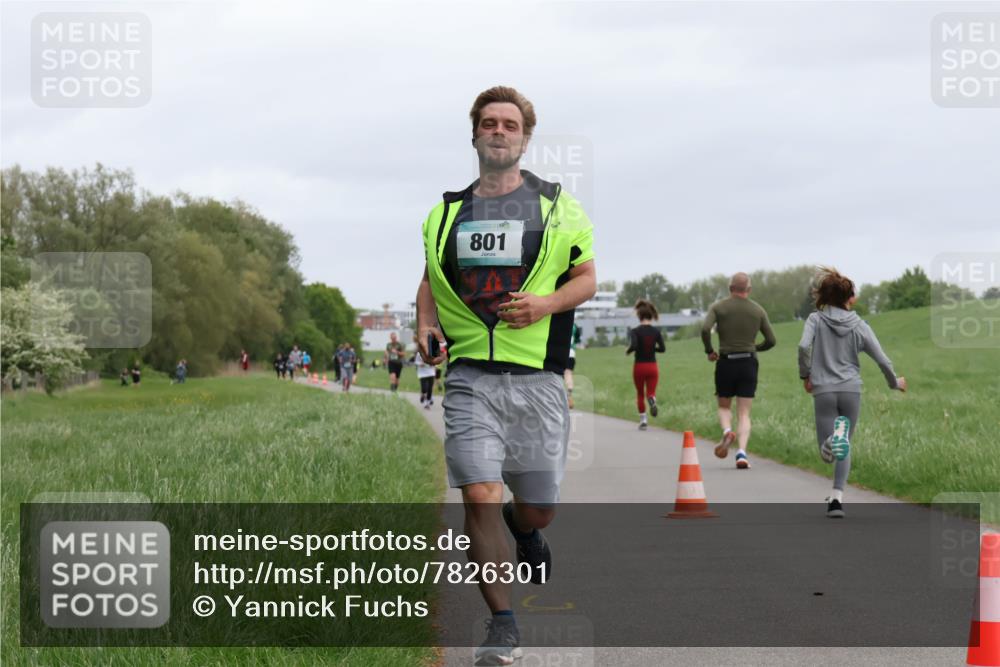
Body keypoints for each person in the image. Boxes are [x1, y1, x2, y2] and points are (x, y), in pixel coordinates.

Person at [415, 85, 596, 666]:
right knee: (480, 495)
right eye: (488, 123)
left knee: (536, 506)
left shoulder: (558, 207)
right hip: (470, 379)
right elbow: (429, 277)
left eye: (509, 124)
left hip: (538, 379)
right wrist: (425, 322)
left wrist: (545, 304)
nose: (498, 131)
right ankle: (503, 623)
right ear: (475, 134)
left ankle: (527, 527)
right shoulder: (446, 213)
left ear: (524, 137)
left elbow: (587, 279)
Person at [798, 267, 907, 518]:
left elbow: (804, 345)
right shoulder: (860, 325)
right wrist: (894, 382)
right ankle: (836, 500)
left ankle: (830, 441)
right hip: (851, 390)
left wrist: (806, 374)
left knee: (827, 453)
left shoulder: (815, 319)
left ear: (824, 296)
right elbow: (882, 359)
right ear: (851, 298)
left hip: (824, 390)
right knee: (845, 444)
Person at [701, 272, 776, 470]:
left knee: (724, 406)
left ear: (730, 288)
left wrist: (709, 351)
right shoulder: (758, 310)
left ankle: (727, 431)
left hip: (726, 362)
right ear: (748, 290)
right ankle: (741, 453)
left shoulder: (718, 307)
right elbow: (771, 340)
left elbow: (704, 328)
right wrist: (754, 347)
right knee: (744, 413)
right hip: (748, 363)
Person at [626, 300, 666, 430]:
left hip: (639, 366)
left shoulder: (635, 331)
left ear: (640, 316)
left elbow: (634, 345)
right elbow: (663, 349)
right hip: (652, 366)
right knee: (650, 392)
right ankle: (652, 399)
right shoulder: (656, 332)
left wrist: (628, 351)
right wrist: (652, 349)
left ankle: (643, 420)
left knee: (639, 393)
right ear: (651, 315)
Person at [413, 335, 437, 409]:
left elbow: (435, 361)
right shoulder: (419, 354)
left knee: (430, 388)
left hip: (431, 372)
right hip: (422, 373)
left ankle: (427, 403)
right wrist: (421, 364)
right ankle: (423, 394)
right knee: (424, 388)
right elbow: (416, 362)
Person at [564, 320, 581, 409]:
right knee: (568, 374)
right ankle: (569, 393)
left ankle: (560, 398)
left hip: (561, 352)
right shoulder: (575, 326)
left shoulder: (560, 323)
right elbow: (578, 339)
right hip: (571, 353)